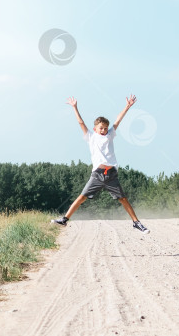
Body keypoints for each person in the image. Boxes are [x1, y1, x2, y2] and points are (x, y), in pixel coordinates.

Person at [52, 95, 150, 234]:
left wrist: (127, 106)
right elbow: (81, 123)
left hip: (111, 175)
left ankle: (136, 222)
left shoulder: (110, 135)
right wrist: (75, 107)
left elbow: (118, 120)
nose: (103, 130)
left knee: (123, 199)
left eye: (105, 128)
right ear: (95, 128)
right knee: (82, 197)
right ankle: (64, 219)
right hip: (97, 174)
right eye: (101, 128)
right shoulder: (91, 137)